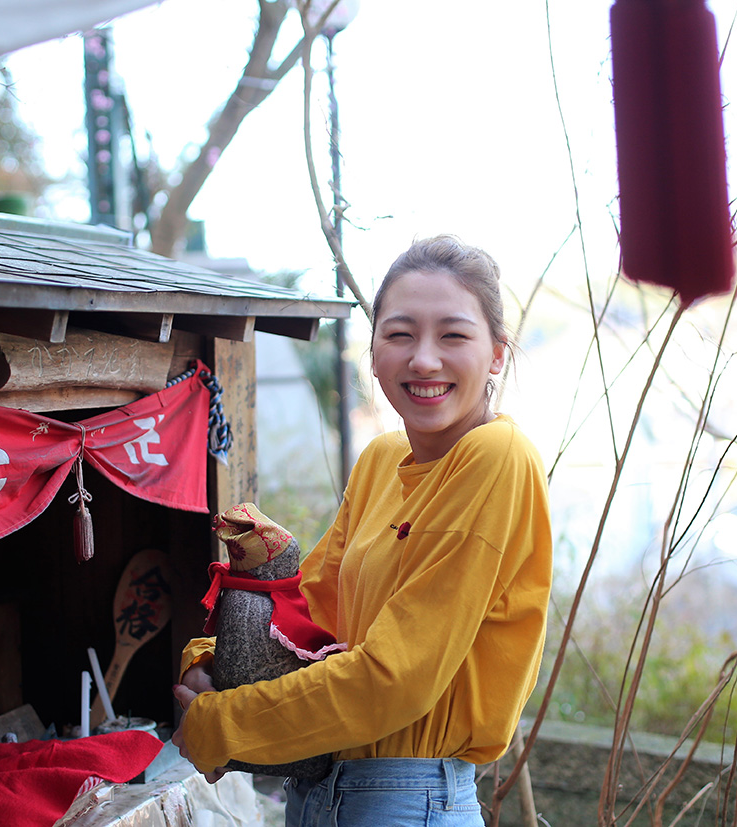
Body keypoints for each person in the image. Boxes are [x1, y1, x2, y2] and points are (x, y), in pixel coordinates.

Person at [172, 234, 553, 826]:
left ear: (497, 354)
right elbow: (312, 618)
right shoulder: (381, 461)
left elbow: (398, 679)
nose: (423, 359)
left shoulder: (496, 456)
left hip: (408, 799)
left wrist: (226, 723)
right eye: (400, 334)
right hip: (322, 794)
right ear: (372, 352)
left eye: (453, 335)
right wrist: (216, 662)